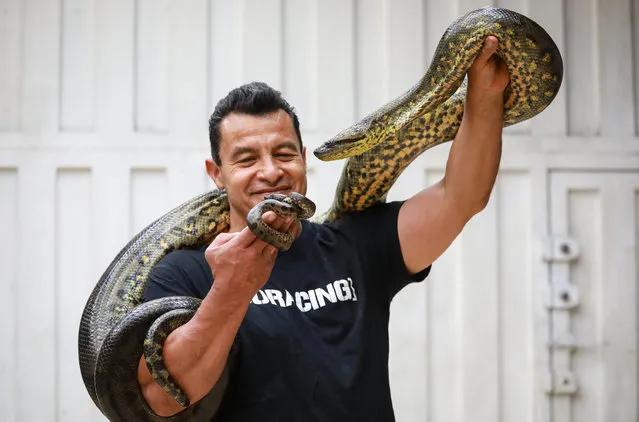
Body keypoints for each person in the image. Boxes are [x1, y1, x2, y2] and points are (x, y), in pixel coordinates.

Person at [136, 35, 509, 421]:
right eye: (246, 159)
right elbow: (163, 399)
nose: (270, 171)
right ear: (217, 175)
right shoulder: (183, 272)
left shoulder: (355, 244)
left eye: (283, 154)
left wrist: (485, 95)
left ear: (302, 159)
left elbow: (461, 198)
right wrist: (230, 290)